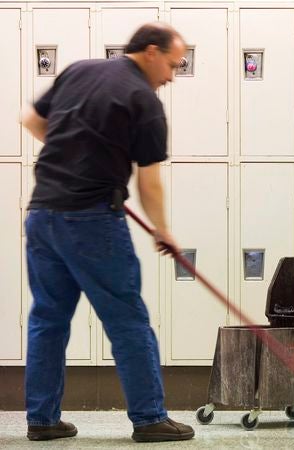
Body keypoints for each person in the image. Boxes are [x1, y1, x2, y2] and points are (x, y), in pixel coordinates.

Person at [20, 22, 194, 442]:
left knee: (48, 318)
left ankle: (42, 420)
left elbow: (31, 120)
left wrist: (75, 157)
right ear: (150, 52)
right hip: (93, 220)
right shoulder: (143, 101)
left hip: (43, 214)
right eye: (172, 65)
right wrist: (163, 231)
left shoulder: (79, 70)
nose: (172, 76)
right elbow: (148, 182)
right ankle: (150, 418)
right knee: (127, 318)